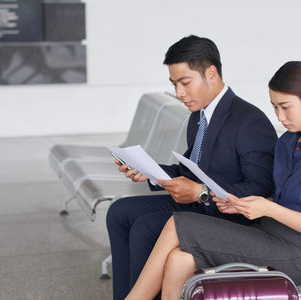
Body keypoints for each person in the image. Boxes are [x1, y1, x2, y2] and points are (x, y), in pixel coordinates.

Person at [124, 61, 301, 299]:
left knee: (178, 223)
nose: (279, 116)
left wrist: (268, 207)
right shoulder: (288, 142)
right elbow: (281, 199)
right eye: (275, 107)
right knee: (179, 259)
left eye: (285, 107)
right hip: (268, 233)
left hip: (296, 254)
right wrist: (244, 204)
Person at [106, 35, 278, 300]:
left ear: (211, 74)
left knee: (145, 227)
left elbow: (261, 187)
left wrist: (202, 191)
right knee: (119, 212)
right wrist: (150, 173)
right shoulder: (199, 116)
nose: (179, 93)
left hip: (230, 216)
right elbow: (191, 170)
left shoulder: (249, 121)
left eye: (185, 83)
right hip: (200, 204)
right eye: (174, 84)